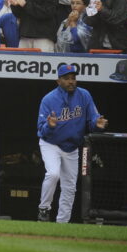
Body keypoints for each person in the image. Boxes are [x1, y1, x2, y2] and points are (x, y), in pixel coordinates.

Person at [36, 64, 107, 223]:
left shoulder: (84, 95)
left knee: (69, 187)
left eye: (73, 78)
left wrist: (97, 124)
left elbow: (93, 118)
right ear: (58, 81)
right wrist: (50, 126)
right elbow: (41, 129)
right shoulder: (48, 99)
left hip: (72, 147)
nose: (71, 81)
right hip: (51, 143)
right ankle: (44, 209)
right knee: (53, 174)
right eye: (66, 78)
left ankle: (62, 223)